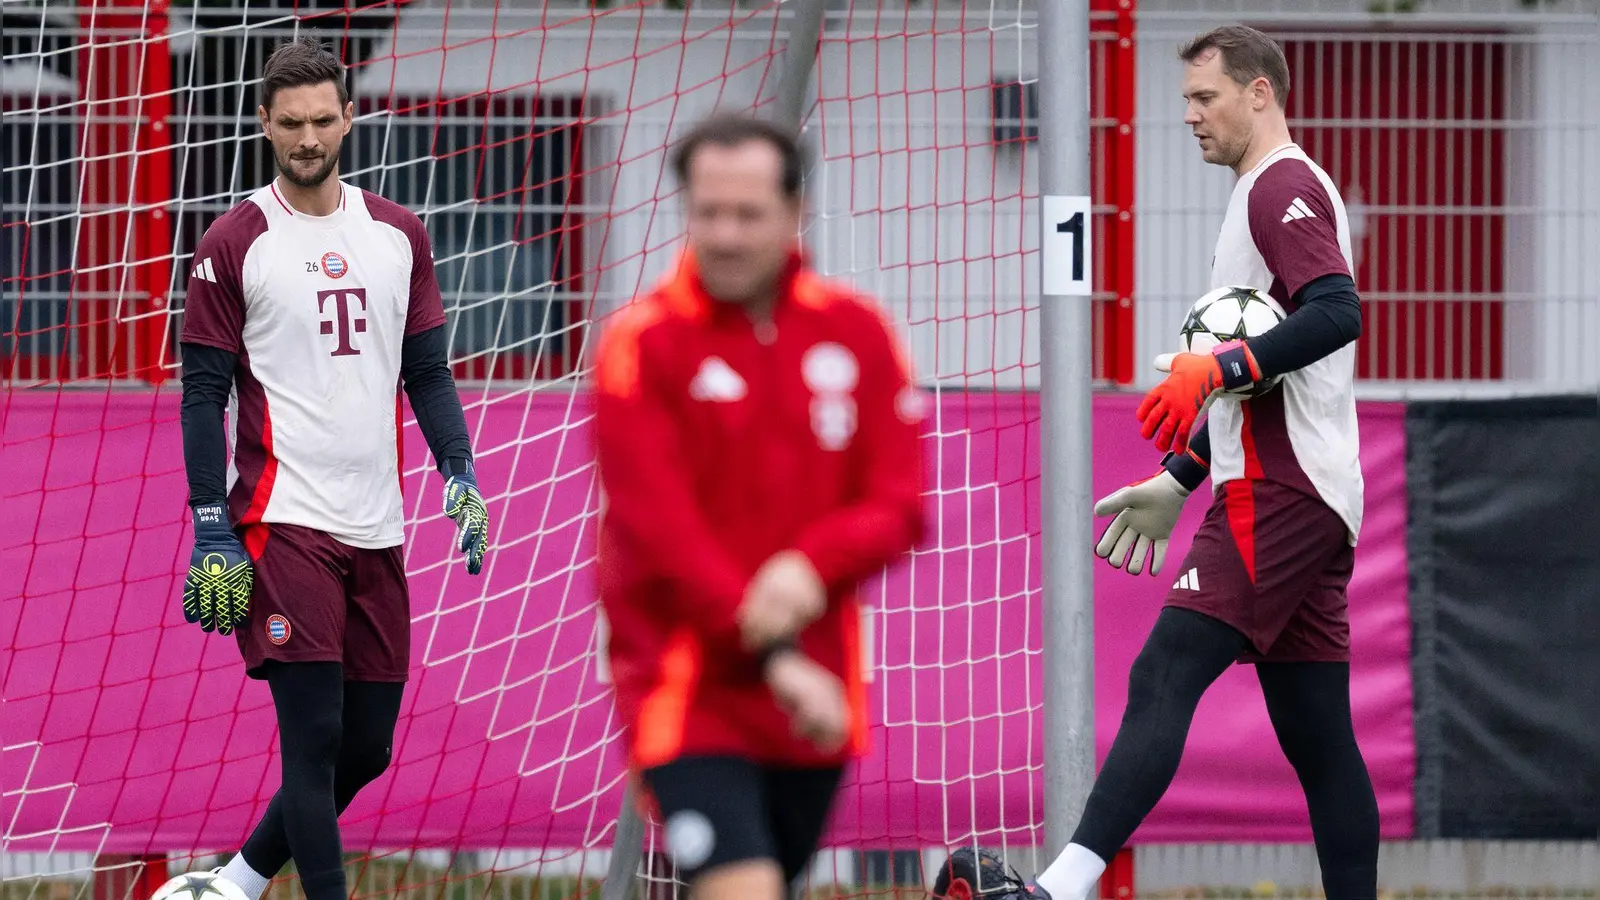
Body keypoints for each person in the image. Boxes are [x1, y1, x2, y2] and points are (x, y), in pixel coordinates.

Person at [1019, 25, 1377, 900]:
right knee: (1318, 734)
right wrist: (1179, 478)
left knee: (1166, 669)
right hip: (1299, 487)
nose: (1189, 115)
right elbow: (1269, 368)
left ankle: (1061, 888)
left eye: (1205, 97)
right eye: (1185, 99)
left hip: (1283, 489)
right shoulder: (1258, 193)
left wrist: (1219, 365)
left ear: (1260, 93)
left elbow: (1337, 312)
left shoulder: (1282, 187)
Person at [176, 37, 489, 900]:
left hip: (376, 524)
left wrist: (458, 472)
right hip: (282, 523)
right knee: (311, 741)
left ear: (348, 118)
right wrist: (212, 523)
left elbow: (425, 371)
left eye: (322, 120)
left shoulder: (397, 234)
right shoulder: (234, 241)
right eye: (290, 124)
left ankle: (236, 882)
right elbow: (202, 393)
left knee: (368, 748)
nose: (308, 138)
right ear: (264, 124)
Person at [591, 112, 927, 900]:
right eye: (708, 213)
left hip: (817, 698)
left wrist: (811, 569)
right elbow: (661, 534)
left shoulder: (859, 331)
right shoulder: (641, 345)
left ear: (794, 213)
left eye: (748, 215)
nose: (727, 235)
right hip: (687, 687)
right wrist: (776, 656)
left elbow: (900, 504)